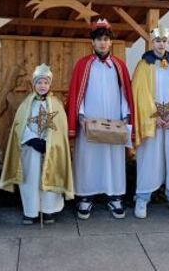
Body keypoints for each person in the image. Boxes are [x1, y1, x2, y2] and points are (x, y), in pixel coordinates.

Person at [67, 18, 134, 219]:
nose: (102, 43)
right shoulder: (83, 65)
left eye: (106, 39)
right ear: (92, 42)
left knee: (113, 158)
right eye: (98, 39)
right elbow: (77, 93)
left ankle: (115, 196)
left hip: (114, 121)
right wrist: (80, 116)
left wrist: (126, 116)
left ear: (110, 42)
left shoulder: (119, 66)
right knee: (88, 158)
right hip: (89, 122)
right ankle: (85, 197)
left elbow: (125, 93)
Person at [0, 64, 73, 224]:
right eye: (39, 82)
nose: (42, 86)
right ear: (34, 84)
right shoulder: (27, 103)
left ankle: (48, 210)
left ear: (50, 85)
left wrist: (48, 142)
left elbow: (60, 128)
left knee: (50, 176)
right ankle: (30, 211)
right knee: (31, 179)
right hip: (30, 148)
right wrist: (32, 139)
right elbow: (19, 125)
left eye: (46, 82)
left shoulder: (56, 104)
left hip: (50, 148)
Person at [132, 26, 169, 218]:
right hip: (152, 120)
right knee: (148, 157)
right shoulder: (144, 65)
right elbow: (140, 93)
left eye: (164, 41)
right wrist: (155, 115)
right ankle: (143, 197)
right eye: (158, 41)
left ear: (168, 42)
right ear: (152, 43)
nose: (161, 44)